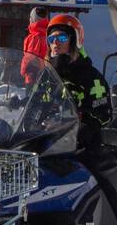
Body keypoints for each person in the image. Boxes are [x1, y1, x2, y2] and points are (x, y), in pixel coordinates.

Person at [44, 13, 110, 149]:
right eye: (51, 38)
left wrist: (86, 127)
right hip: (48, 141)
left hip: (81, 147)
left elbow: (103, 114)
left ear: (74, 40)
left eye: (61, 38)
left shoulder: (90, 76)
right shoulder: (46, 75)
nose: (55, 43)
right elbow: (36, 103)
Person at [20, 7, 49, 83]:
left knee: (31, 94)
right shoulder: (47, 34)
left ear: (33, 19)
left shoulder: (35, 37)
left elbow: (30, 57)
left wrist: (22, 71)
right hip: (44, 73)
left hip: (33, 75)